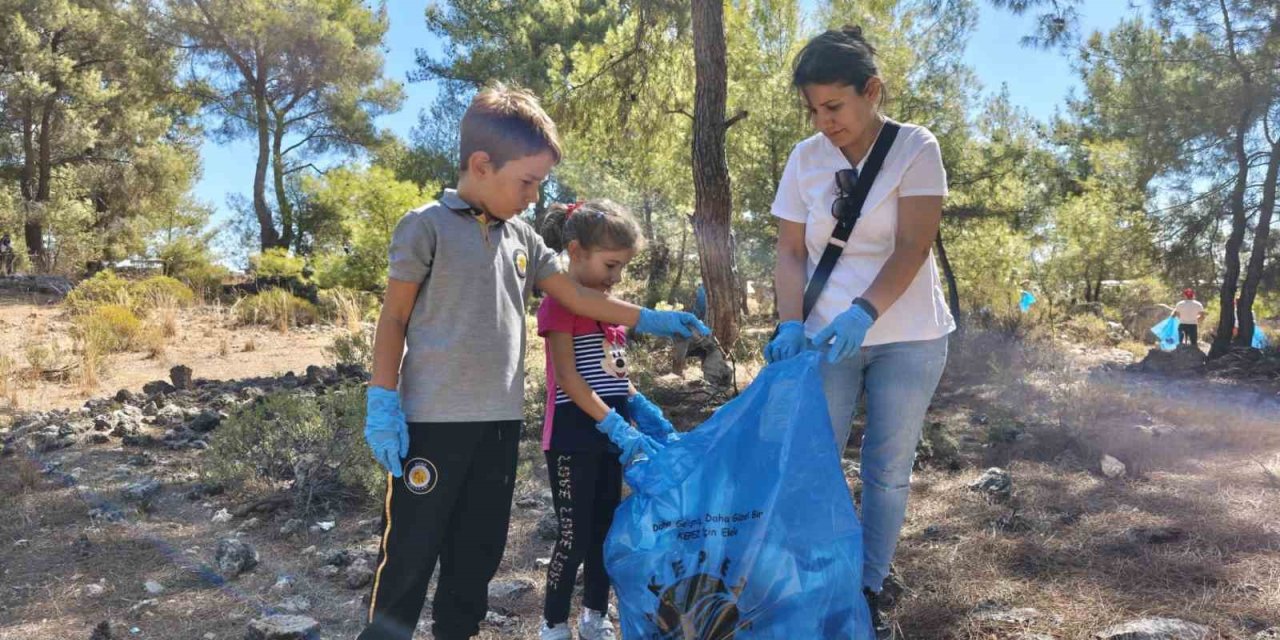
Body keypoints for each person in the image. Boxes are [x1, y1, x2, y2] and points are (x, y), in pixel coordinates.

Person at [359, 82, 708, 640]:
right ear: (480, 163)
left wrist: (653, 318)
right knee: (408, 554)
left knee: (477, 554)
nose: (533, 196)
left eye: (540, 184)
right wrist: (382, 399)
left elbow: (578, 297)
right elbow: (394, 318)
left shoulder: (524, 237)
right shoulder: (424, 225)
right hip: (430, 427)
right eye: (527, 182)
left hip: (497, 428)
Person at [764, 25, 953, 636]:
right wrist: (790, 322)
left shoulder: (915, 148)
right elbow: (791, 250)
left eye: (835, 106)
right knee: (816, 461)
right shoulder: (805, 159)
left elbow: (913, 247)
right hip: (824, 339)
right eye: (814, 109)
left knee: (887, 466)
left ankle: (869, 582)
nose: (824, 121)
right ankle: (820, 575)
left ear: (872, 90)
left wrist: (864, 313)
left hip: (909, 335)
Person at [534, 200, 681, 640]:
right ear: (576, 251)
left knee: (606, 530)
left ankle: (595, 614)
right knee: (574, 535)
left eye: (622, 269)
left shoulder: (611, 315)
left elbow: (616, 376)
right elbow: (569, 379)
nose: (616, 278)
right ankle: (554, 622)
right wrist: (613, 425)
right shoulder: (559, 305)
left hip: (609, 436)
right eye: (611, 265)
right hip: (573, 436)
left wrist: (641, 409)